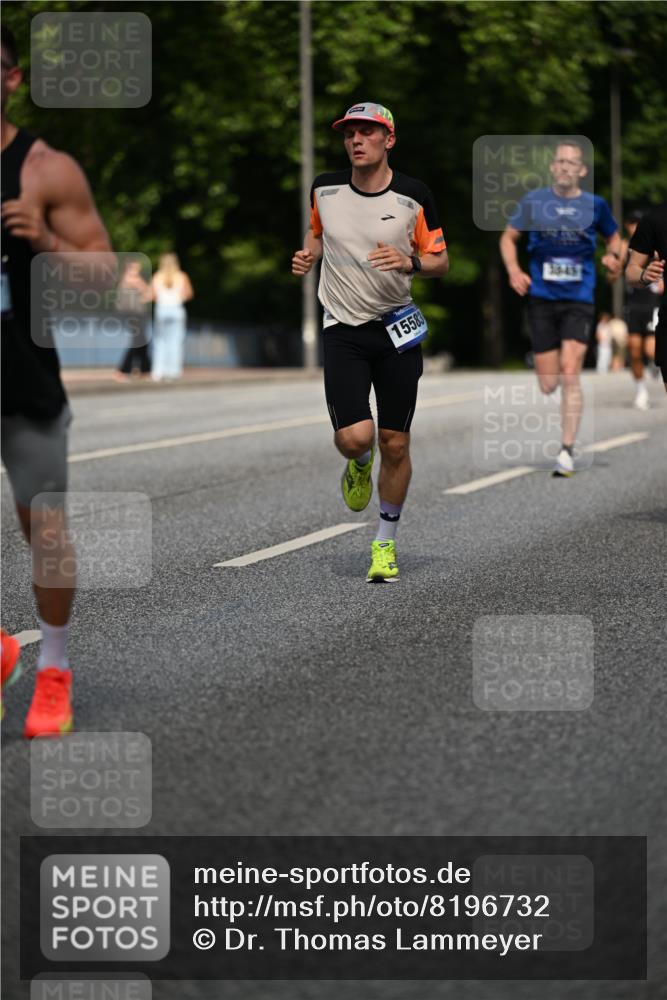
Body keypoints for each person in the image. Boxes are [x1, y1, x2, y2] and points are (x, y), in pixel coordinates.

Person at [1, 26, 111, 737]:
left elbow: (107, 278)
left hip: (22, 378)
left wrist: (44, 242)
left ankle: (54, 671)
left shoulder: (45, 169)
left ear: (11, 79)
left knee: (42, 529)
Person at [292, 102, 448, 582]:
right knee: (357, 438)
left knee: (395, 443)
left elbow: (441, 260)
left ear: (389, 140)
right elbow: (317, 235)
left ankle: (384, 543)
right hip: (343, 328)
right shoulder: (325, 188)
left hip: (397, 328)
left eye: (367, 132)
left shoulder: (414, 196)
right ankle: (359, 463)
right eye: (350, 133)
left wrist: (410, 264)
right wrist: (307, 255)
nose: (356, 140)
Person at [500, 140, 622, 477]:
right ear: (553, 167)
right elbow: (508, 238)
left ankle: (566, 449)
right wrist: (514, 270)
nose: (566, 167)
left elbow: (614, 241)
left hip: (579, 299)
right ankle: (565, 437)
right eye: (561, 161)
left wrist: (615, 258)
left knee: (570, 372)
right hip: (541, 298)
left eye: (573, 162)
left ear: (582, 170)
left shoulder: (596, 205)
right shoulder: (534, 201)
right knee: (548, 382)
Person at [621, 209, 663, 408]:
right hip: (634, 305)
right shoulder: (624, 248)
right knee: (634, 350)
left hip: (653, 303)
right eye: (631, 223)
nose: (634, 226)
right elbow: (618, 274)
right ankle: (641, 391)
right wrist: (612, 268)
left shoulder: (655, 240)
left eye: (637, 222)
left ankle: (656, 365)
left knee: (650, 349)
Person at [150, 252, 193, 382]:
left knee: (160, 342)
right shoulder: (182, 276)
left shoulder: (157, 276)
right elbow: (189, 294)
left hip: (161, 309)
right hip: (176, 309)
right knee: (175, 342)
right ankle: (173, 372)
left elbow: (153, 296)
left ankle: (158, 372)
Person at [115, 258, 152, 381]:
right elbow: (149, 293)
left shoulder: (123, 280)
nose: (138, 271)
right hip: (135, 315)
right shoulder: (133, 280)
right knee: (139, 342)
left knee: (141, 342)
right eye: (136, 268)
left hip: (134, 314)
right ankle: (123, 370)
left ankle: (143, 369)